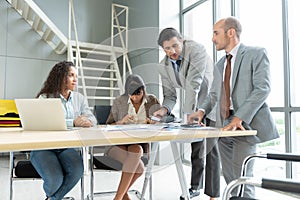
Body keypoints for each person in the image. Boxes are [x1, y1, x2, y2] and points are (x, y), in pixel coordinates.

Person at [188, 17, 279, 198]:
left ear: (230, 32)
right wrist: (201, 110)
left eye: (216, 33)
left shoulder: (256, 53)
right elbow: (214, 95)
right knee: (231, 180)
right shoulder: (220, 64)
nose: (213, 38)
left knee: (243, 179)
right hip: (224, 126)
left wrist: (240, 117)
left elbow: (263, 88)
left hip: (245, 124)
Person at [153, 27, 220, 200]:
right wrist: (164, 109)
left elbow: (193, 84)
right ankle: (195, 187)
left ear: (182, 40)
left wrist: (189, 115)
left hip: (212, 99)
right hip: (194, 101)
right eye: (167, 48)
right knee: (196, 147)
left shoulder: (196, 49)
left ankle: (213, 194)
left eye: (175, 46)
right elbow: (169, 95)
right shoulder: (163, 66)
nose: (172, 51)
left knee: (211, 148)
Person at [30, 61, 97, 200]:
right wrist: (73, 122)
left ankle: (52, 199)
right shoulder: (45, 98)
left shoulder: (79, 98)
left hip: (67, 147)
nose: (75, 79)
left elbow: (92, 119)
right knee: (55, 180)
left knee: (77, 171)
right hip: (43, 147)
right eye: (71, 75)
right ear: (61, 77)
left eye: (76, 76)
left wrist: (88, 121)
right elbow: (45, 123)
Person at [106, 74, 160, 200]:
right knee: (139, 168)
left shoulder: (152, 100)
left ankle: (119, 197)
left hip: (138, 145)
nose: (135, 98)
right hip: (116, 146)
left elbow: (164, 118)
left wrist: (154, 121)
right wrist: (121, 121)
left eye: (138, 94)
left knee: (137, 152)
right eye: (132, 95)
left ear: (143, 90)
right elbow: (107, 125)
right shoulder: (119, 101)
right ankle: (120, 197)